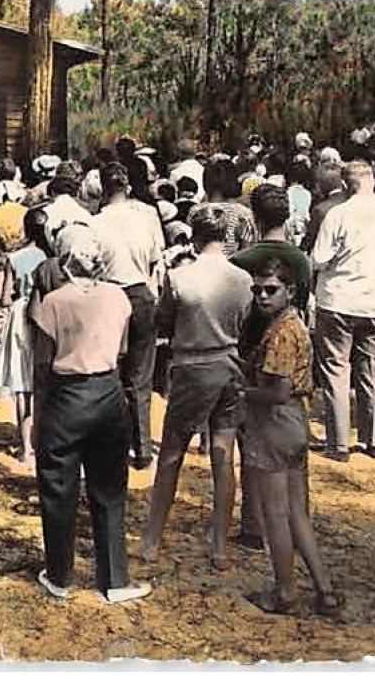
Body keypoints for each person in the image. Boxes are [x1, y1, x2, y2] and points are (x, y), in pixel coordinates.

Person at [29, 228, 149, 605]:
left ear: (65, 263)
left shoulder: (52, 301)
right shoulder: (117, 297)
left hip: (66, 395)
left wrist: (37, 416)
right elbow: (124, 349)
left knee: (58, 488)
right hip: (108, 392)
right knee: (110, 488)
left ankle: (60, 574)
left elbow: (42, 363)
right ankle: (114, 579)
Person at [140, 204, 252, 567]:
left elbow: (164, 321)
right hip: (230, 364)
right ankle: (219, 545)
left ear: (195, 236)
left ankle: (152, 539)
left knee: (172, 453)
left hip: (191, 364)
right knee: (223, 454)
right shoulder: (242, 279)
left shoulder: (180, 277)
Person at [238, 259, 341, 619]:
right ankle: (324, 589)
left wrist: (241, 391)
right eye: (257, 290)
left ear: (290, 291)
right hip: (296, 420)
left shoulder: (282, 332)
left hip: (276, 421)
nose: (262, 297)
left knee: (275, 514)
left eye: (270, 290)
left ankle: (285, 591)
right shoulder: (295, 324)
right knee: (298, 513)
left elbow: (277, 391)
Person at [309, 160, 375, 461]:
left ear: (345, 185)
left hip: (338, 299)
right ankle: (373, 439)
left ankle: (338, 443)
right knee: (374, 370)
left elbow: (319, 258)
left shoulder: (337, 214)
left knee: (336, 371)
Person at [91, 162, 165, 470]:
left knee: (108, 373)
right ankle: (143, 447)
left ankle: (112, 444)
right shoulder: (145, 219)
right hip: (140, 293)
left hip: (109, 294)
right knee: (140, 379)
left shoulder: (95, 223)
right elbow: (154, 262)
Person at [0, 206, 49, 468]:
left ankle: (25, 446)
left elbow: (5, 298)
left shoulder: (15, 258)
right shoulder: (51, 259)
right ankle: (41, 440)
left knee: (20, 384)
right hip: (46, 317)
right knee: (41, 382)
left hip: (20, 315)